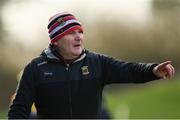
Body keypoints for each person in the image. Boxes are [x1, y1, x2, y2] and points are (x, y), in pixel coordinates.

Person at [8, 12, 175, 119]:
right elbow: (18, 111)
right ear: (56, 40)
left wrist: (153, 70)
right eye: (71, 33)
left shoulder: (97, 62)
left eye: (80, 32)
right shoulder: (35, 68)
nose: (78, 37)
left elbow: (129, 70)